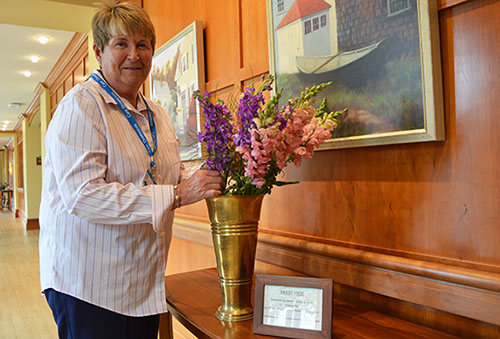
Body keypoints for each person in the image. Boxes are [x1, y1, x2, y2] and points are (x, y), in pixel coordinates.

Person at [38, 2, 224, 338]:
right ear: (99, 50)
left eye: (143, 45)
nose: (134, 55)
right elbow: (83, 195)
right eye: (121, 44)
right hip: (88, 284)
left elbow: (167, 170)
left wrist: (215, 172)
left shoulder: (157, 113)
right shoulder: (81, 106)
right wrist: (179, 195)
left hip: (139, 283)